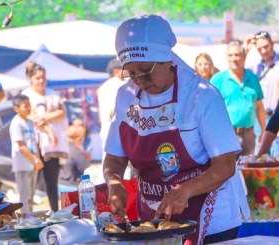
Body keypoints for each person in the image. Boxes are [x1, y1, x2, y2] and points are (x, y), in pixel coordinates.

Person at [104, 15, 250, 244]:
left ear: (166, 60)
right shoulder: (126, 96)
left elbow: (225, 165)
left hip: (212, 218)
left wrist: (185, 190)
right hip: (154, 218)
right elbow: (114, 158)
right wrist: (114, 183)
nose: (139, 80)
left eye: (145, 70)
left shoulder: (201, 94)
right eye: (131, 73)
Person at [22, 61, 69, 212]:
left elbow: (62, 112)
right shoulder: (26, 95)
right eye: (37, 78)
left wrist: (47, 118)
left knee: (52, 181)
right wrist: (48, 130)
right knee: (30, 183)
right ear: (31, 79)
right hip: (33, 143)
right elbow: (32, 117)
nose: (41, 80)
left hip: (51, 146)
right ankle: (27, 214)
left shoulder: (52, 94)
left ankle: (55, 212)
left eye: (43, 77)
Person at [210, 41, 265, 158]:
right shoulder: (218, 79)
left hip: (248, 135)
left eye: (237, 54)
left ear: (244, 56)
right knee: (226, 172)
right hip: (226, 135)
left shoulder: (254, 78)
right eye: (230, 55)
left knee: (246, 173)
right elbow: (209, 108)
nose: (233, 58)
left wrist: (264, 130)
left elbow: (259, 106)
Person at [9, 94, 46, 213]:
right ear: (16, 108)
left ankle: (30, 218)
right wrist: (35, 160)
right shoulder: (16, 123)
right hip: (23, 164)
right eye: (25, 106)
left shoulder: (30, 122)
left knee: (31, 195)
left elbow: (35, 143)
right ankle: (25, 220)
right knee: (25, 196)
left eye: (29, 105)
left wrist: (38, 159)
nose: (29, 108)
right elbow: (21, 146)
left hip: (33, 163)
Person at [98, 58, 126, 152]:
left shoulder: (103, 86)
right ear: (117, 71)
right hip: (118, 131)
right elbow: (113, 111)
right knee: (122, 164)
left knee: (109, 163)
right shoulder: (120, 85)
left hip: (107, 130)